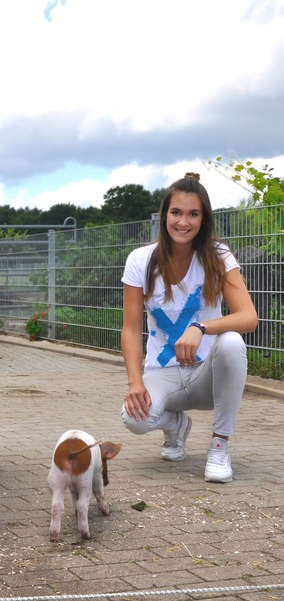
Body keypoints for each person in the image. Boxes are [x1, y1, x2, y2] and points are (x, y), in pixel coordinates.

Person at [120, 172, 257, 483]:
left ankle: (220, 446)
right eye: (176, 213)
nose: (183, 222)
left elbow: (248, 316)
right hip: (161, 373)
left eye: (193, 214)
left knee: (232, 341)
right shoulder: (140, 261)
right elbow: (130, 329)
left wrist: (200, 327)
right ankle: (176, 427)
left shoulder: (218, 256)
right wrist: (135, 383)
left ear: (203, 219)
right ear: (164, 215)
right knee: (134, 418)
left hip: (206, 377)